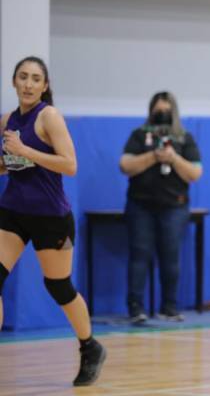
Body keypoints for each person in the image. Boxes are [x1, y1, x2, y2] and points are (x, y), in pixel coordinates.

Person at [0, 56, 106, 386]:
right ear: (14, 82)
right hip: (13, 213)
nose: (28, 84)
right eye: (23, 77)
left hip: (51, 217)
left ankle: (90, 347)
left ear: (44, 86)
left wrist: (26, 150)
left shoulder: (50, 117)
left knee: (58, 286)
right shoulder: (6, 120)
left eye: (35, 79)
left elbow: (69, 165)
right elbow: (10, 165)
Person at [119, 91, 202, 323]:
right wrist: (154, 157)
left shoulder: (184, 139)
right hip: (141, 206)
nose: (162, 115)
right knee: (140, 255)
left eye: (166, 111)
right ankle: (136, 308)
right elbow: (125, 165)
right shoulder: (139, 135)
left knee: (170, 257)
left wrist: (173, 158)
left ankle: (169, 307)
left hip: (174, 207)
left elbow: (195, 173)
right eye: (158, 111)